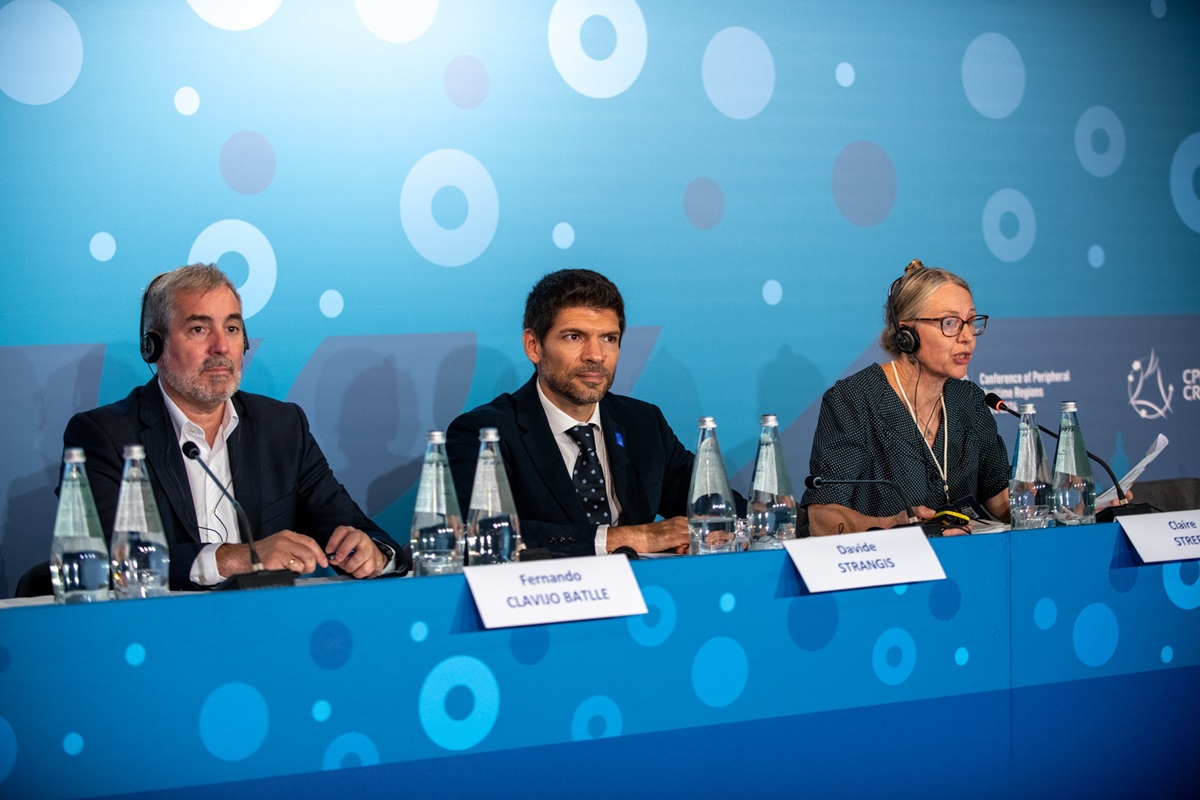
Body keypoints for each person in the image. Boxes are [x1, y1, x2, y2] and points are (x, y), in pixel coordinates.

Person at [61, 263, 406, 590]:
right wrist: (238, 558)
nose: (221, 347)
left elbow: (359, 532)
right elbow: (106, 560)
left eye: (232, 328)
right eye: (199, 329)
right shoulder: (104, 436)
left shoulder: (282, 427)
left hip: (268, 628)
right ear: (154, 347)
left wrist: (372, 554)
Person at [447, 269, 694, 557]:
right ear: (534, 346)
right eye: (574, 337)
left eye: (609, 338)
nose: (595, 355)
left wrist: (708, 532)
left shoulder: (643, 422)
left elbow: (714, 504)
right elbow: (479, 533)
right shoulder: (485, 433)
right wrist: (627, 537)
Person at [801, 259, 1010, 536]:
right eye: (950, 323)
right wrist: (891, 525)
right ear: (906, 334)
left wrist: (1058, 504)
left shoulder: (969, 401)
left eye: (971, 322)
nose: (968, 337)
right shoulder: (853, 400)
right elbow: (820, 517)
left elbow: (1000, 501)